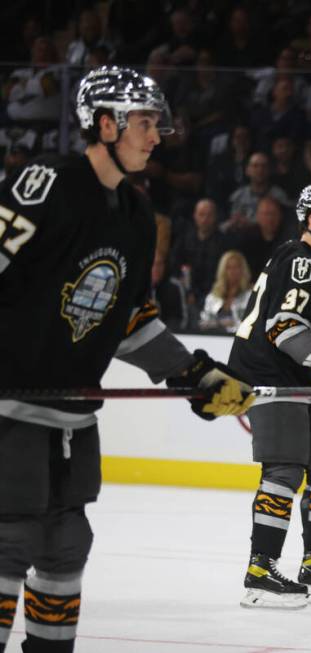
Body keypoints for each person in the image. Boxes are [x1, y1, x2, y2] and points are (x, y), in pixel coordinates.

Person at [0, 65, 254, 653]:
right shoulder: (45, 184)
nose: (156, 135)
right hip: (10, 413)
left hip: (71, 423)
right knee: (8, 546)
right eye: (144, 122)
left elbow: (128, 319)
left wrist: (192, 374)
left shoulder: (137, 217)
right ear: (106, 123)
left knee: (65, 548)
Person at [228, 183, 311, 610]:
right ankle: (260, 570)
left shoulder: (307, 260)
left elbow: (295, 333)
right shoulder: (304, 263)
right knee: (285, 469)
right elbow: (283, 327)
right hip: (271, 377)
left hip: (292, 378)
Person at [198, 250, 252, 333]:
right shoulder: (213, 297)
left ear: (243, 270)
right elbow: (203, 323)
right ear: (223, 271)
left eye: (236, 267)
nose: (232, 271)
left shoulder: (251, 296)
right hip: (213, 339)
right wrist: (221, 323)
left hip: (239, 341)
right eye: (228, 267)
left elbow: (251, 324)